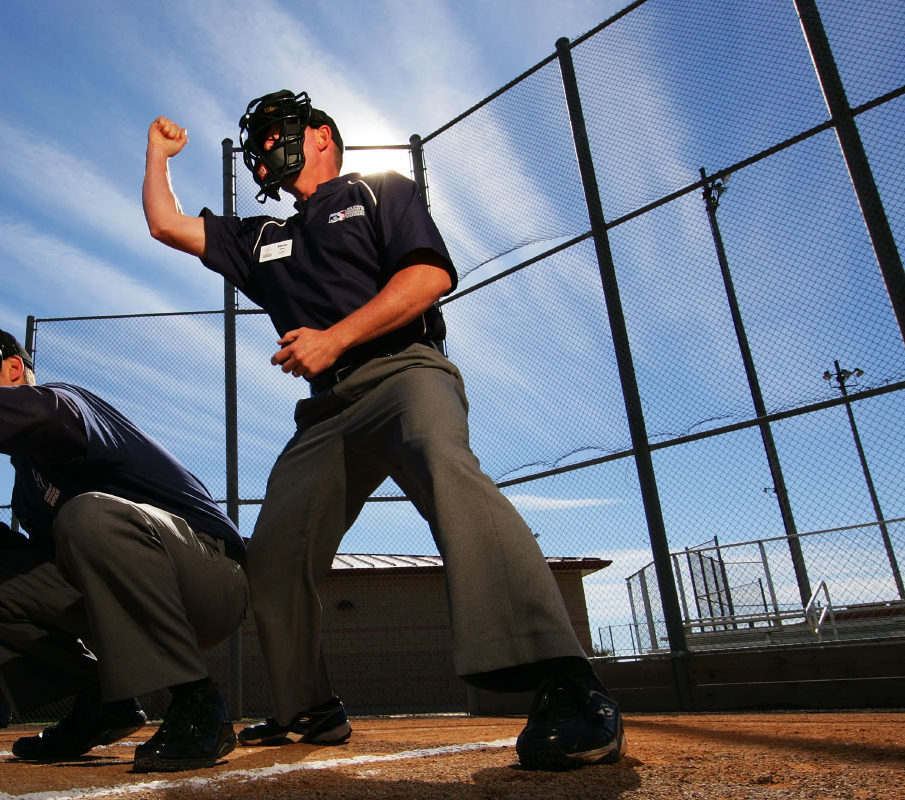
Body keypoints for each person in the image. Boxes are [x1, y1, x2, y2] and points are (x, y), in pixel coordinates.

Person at [142, 90, 625, 771]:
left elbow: (427, 276)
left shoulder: (376, 191)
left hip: (404, 372)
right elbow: (166, 224)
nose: (263, 147)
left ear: (320, 137)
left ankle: (571, 685)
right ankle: (307, 707)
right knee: (275, 550)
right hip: (325, 410)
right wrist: (157, 154)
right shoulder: (261, 237)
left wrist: (334, 338)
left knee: (443, 463)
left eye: (278, 130)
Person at [0, 319, 248, 772]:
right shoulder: (29, 482)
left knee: (86, 514)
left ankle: (197, 700)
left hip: (212, 576)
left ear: (14, 368)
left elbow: (16, 425)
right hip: (135, 596)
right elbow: (64, 562)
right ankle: (103, 700)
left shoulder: (61, 403)